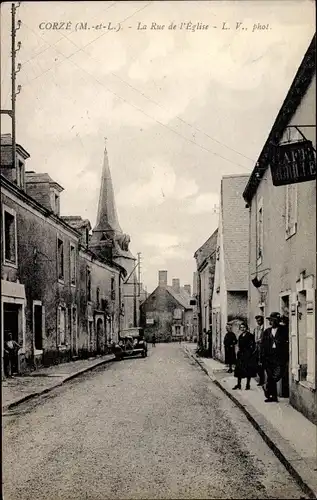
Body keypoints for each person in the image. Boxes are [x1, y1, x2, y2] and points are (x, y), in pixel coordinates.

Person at [261, 312, 289, 403]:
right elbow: (263, 345)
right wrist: (262, 358)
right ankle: (272, 396)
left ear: (277, 321)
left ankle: (267, 388)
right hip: (269, 357)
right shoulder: (267, 331)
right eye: (270, 320)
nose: (271, 322)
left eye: (272, 320)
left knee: (276, 376)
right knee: (270, 376)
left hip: (279, 357)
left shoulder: (283, 330)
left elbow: (286, 343)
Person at [233, 322, 257, 390]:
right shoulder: (240, 336)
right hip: (241, 354)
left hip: (247, 354)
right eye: (241, 327)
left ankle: (247, 385)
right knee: (239, 370)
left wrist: (250, 353)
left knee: (247, 370)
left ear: (246, 328)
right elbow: (239, 345)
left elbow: (253, 345)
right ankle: (238, 384)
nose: (242, 329)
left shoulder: (250, 335)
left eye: (244, 327)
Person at [253, 315, 265, 386]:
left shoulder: (264, 328)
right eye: (257, 321)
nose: (258, 322)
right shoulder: (256, 328)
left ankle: (262, 380)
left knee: (261, 365)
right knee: (256, 364)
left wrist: (259, 341)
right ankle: (260, 378)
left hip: (262, 349)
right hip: (256, 349)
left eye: (259, 320)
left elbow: (263, 339)